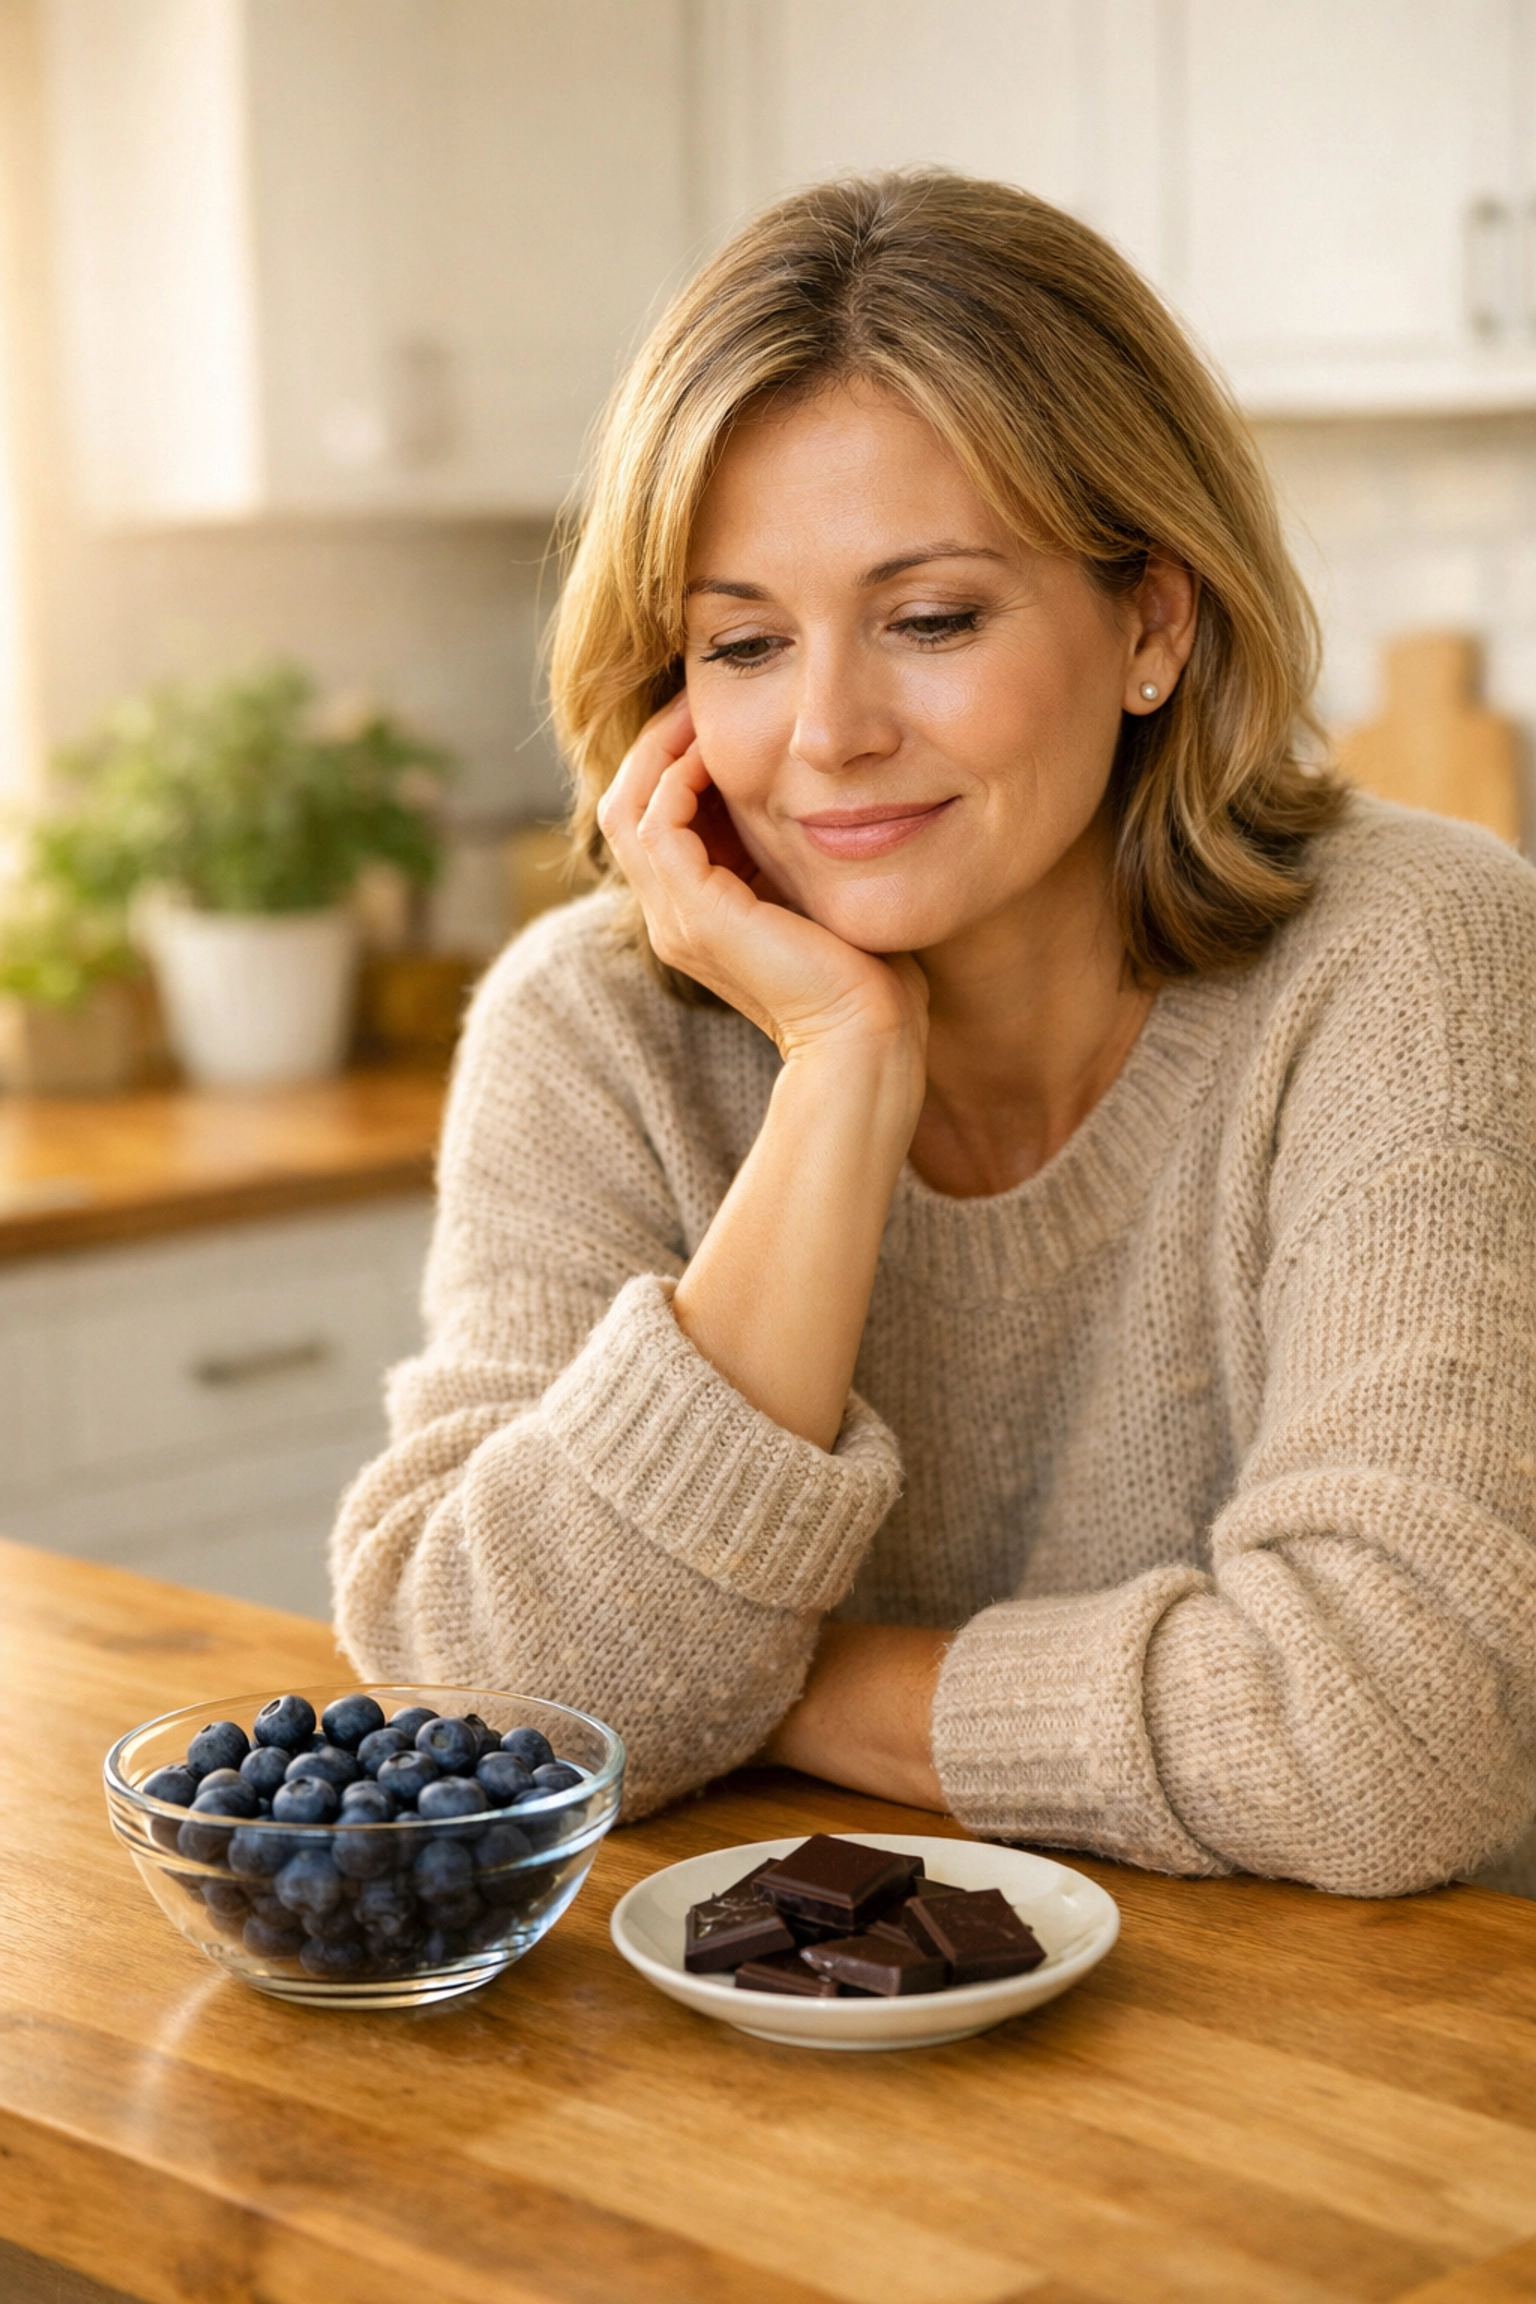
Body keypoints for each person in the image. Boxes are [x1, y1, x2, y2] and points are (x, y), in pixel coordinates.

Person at [332, 172, 1536, 1897]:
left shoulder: (1411, 954)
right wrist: (840, 1071)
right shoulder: (589, 1024)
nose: (827, 730)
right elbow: (486, 1711)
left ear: (1152, 622)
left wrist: (757, 1681)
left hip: (1338, 2090)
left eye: (932, 619)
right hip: (761, 2083)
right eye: (743, 643)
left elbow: (1386, 1737)